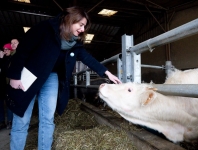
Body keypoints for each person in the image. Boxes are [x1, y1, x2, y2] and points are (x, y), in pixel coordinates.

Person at [6, 6, 121, 150]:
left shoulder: (75, 44)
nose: (82, 29)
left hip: (51, 79)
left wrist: (107, 73)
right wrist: (15, 76)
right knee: (21, 118)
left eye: (84, 26)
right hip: (30, 76)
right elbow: (23, 50)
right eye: (81, 25)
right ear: (70, 20)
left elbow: (88, 58)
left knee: (47, 120)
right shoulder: (45, 29)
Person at [0, 43, 14, 130]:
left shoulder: (11, 59)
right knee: (0, 103)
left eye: (7, 49)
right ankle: (2, 122)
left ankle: (10, 121)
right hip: (2, 85)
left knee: (9, 103)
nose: (5, 51)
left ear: (11, 50)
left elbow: (5, 72)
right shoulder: (3, 59)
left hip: (9, 84)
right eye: (4, 49)